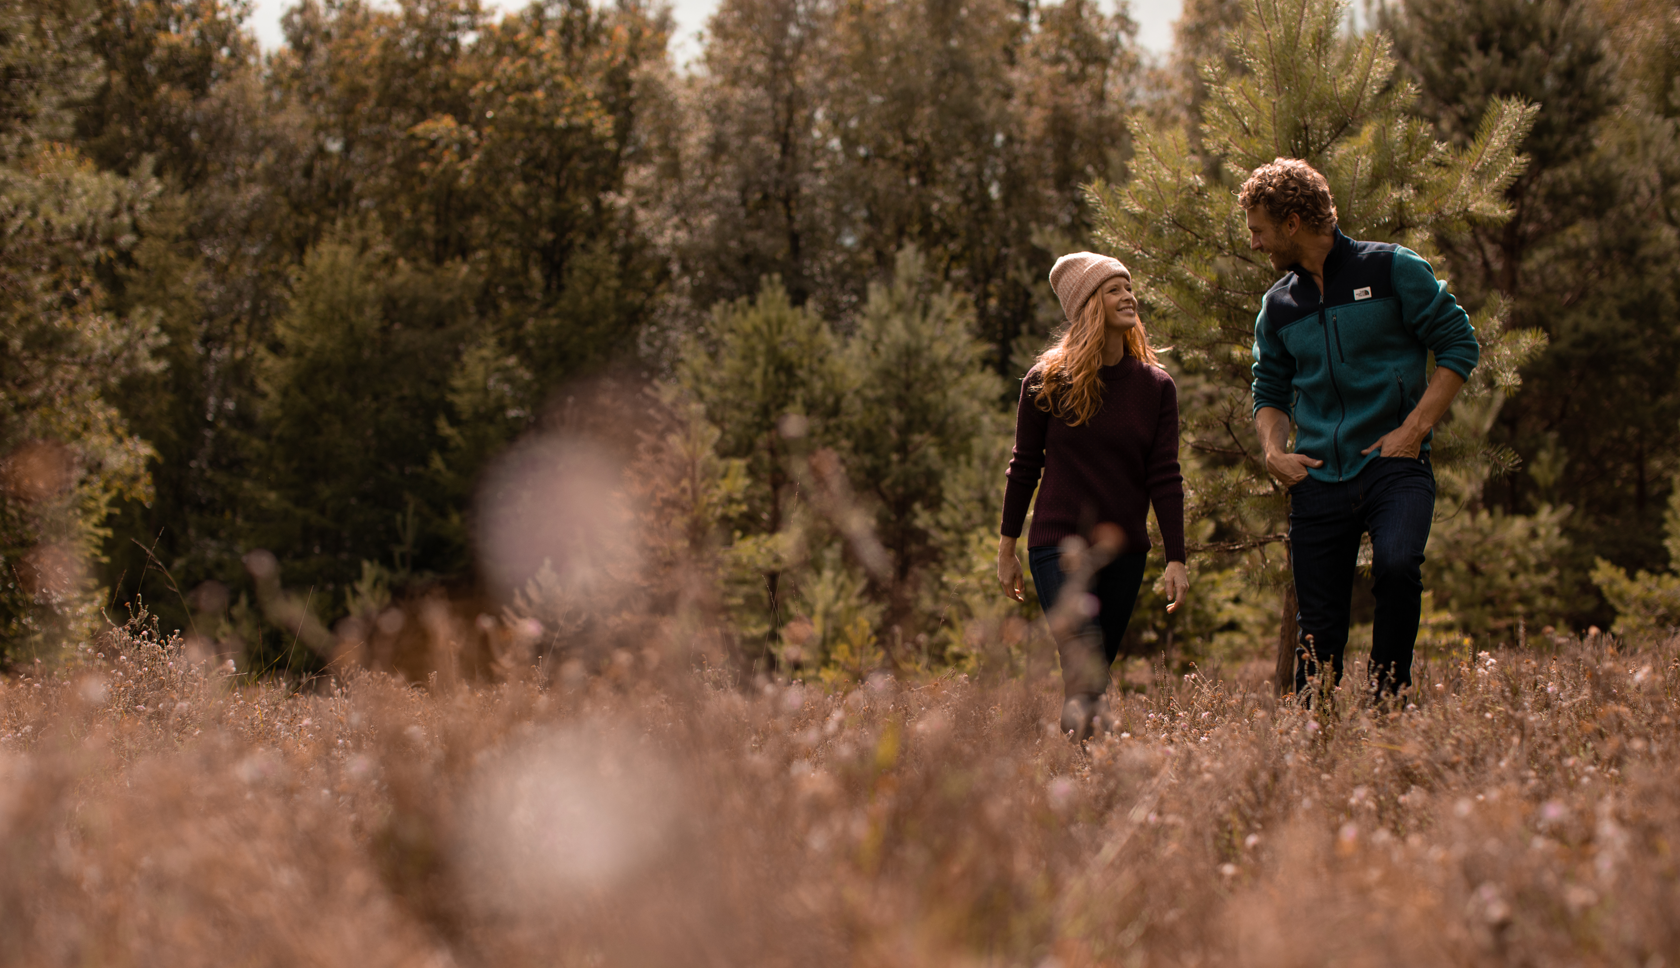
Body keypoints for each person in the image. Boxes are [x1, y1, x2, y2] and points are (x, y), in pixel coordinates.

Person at [1243, 158, 1480, 699]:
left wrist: (1413, 429)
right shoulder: (1278, 306)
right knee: (1319, 627)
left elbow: (1459, 345)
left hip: (1394, 465)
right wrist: (1273, 451)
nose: (1255, 243)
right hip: (1318, 478)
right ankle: (1313, 734)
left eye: (1259, 230)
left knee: (1397, 567)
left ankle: (1387, 700)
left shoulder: (1393, 269)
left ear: (1293, 222)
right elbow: (1269, 390)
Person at [997, 252, 1189, 741]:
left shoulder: (1155, 387)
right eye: (1113, 289)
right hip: (1056, 545)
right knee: (1083, 665)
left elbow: (1164, 475)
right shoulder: (1045, 382)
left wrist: (1176, 557)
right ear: (1088, 305)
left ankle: (1080, 776)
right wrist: (1007, 548)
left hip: (1124, 550)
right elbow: (1024, 467)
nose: (1129, 297)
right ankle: (1085, 777)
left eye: (1129, 287)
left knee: (1095, 672)